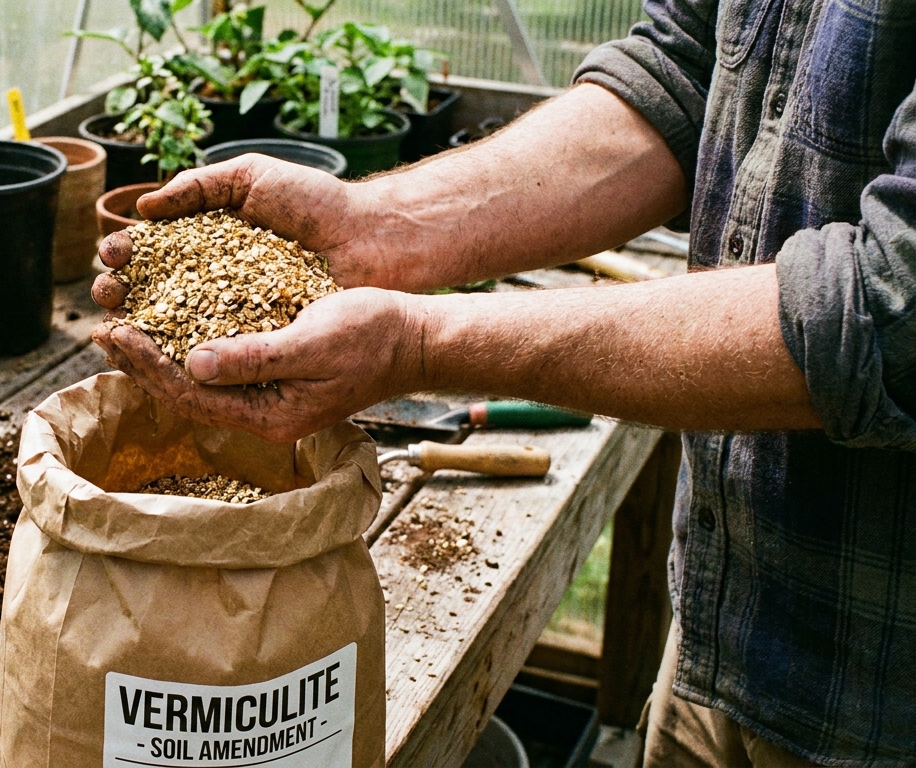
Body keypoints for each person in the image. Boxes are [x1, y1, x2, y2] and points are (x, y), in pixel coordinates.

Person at [86, 0, 916, 765]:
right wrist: (378, 222)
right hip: (718, 628)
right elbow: (679, 76)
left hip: (875, 702)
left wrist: (418, 345)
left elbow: (889, 310)